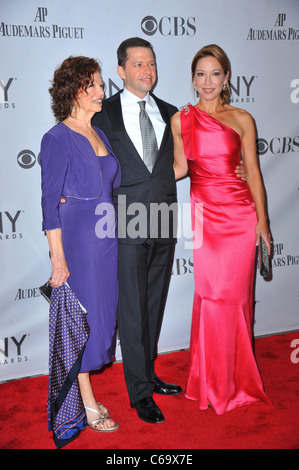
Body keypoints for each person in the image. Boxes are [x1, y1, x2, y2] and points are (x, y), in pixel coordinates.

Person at [92, 37, 247, 423]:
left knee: (153, 305)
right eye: (139, 64)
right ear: (121, 70)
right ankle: (139, 392)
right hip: (123, 219)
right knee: (131, 310)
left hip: (163, 218)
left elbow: (193, 161)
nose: (147, 71)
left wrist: (234, 171)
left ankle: (148, 371)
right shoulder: (102, 115)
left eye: (152, 64)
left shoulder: (173, 114)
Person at [171, 44, 272, 415]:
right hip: (205, 217)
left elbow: (255, 173)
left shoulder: (242, 118)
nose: (208, 81)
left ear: (227, 77)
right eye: (201, 74)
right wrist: (136, 182)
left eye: (215, 74)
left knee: (237, 300)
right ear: (193, 78)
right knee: (211, 298)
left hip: (240, 216)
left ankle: (238, 382)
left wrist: (263, 223)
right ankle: (210, 382)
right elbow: (179, 168)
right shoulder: (181, 119)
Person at [40, 56, 120, 446]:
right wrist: (58, 257)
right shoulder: (57, 137)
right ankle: (86, 402)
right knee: (82, 322)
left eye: (102, 85)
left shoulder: (98, 132)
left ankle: (87, 391)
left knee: (103, 320)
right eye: (95, 85)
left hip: (106, 238)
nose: (102, 92)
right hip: (79, 240)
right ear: (75, 89)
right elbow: (48, 203)